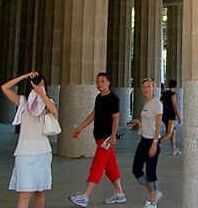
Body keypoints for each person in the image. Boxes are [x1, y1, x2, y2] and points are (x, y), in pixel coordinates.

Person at [1, 71, 57, 208]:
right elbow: (5, 88)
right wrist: (24, 76)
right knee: (25, 193)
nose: (41, 87)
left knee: (40, 191)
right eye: (38, 84)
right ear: (31, 86)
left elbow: (54, 110)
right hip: (25, 153)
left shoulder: (47, 103)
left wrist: (42, 94)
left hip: (43, 152)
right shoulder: (22, 102)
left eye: (43, 85)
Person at [69, 72, 126, 207]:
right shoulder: (99, 98)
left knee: (97, 166)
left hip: (106, 139)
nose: (99, 84)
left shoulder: (113, 98)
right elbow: (93, 114)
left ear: (108, 82)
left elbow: (116, 118)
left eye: (102, 81)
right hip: (99, 136)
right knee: (111, 167)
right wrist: (80, 128)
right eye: (98, 81)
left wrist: (112, 136)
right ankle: (119, 193)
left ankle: (85, 196)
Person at [128, 78, 164, 208]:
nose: (146, 88)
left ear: (154, 88)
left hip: (152, 140)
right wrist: (138, 122)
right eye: (144, 86)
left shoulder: (157, 104)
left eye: (149, 86)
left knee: (150, 171)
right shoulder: (146, 104)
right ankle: (153, 192)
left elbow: (158, 125)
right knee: (136, 169)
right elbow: (148, 120)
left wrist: (155, 143)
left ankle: (153, 202)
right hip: (143, 140)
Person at [159, 79, 181, 155]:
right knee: (169, 133)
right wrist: (178, 116)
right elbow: (174, 106)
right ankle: (156, 142)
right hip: (171, 116)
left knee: (173, 132)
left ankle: (174, 149)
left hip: (164, 115)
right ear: (175, 86)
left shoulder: (164, 94)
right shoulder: (173, 95)